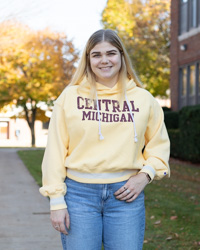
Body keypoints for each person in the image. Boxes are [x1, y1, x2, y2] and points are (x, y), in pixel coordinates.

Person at [39, 29, 170, 250]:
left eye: (111, 53)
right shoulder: (70, 97)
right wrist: (56, 200)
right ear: (88, 60)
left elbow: (159, 146)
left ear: (121, 56)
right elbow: (55, 151)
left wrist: (145, 176)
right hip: (79, 195)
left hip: (126, 195)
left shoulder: (144, 99)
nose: (104, 60)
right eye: (96, 55)